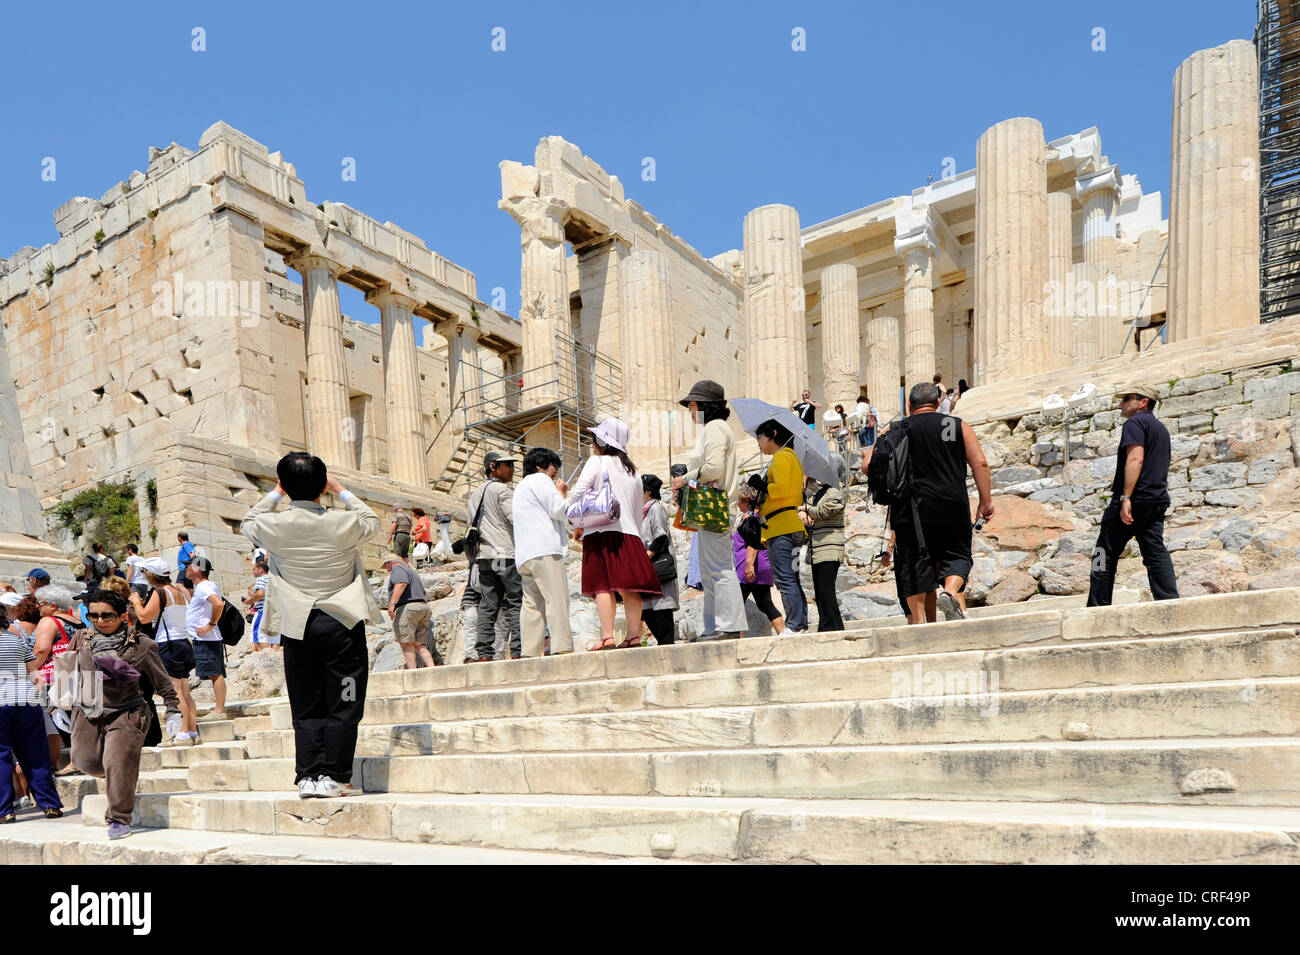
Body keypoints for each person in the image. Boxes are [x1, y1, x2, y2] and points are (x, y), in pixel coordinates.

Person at [240, 452, 382, 799]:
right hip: (341, 624)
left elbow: (248, 520)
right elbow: (372, 519)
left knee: (305, 703)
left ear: (285, 487)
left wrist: (276, 493)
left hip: (297, 626)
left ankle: (308, 774)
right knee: (345, 699)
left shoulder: (271, 526)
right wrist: (341, 489)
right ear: (323, 487)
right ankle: (335, 775)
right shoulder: (343, 522)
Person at [68, 590, 181, 839]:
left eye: (106, 615)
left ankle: (119, 818)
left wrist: (173, 709)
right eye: (93, 615)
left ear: (122, 616)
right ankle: (118, 773)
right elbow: (72, 670)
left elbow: (162, 681)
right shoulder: (82, 639)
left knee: (117, 762)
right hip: (88, 710)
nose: (100, 621)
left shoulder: (142, 645)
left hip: (127, 711)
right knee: (85, 761)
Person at [891, 381, 995, 625]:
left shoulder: (898, 428)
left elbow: (867, 466)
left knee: (916, 562)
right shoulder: (956, 424)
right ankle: (949, 591)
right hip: (952, 503)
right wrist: (985, 500)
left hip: (911, 509)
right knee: (958, 555)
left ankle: (918, 624)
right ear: (938, 402)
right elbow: (980, 463)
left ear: (909, 404)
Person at [569, 418, 661, 651]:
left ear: (601, 441)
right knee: (628, 587)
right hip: (629, 533)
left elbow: (578, 494)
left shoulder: (596, 462)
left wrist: (577, 521)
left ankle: (608, 635)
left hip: (600, 530)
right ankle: (633, 636)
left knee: (603, 586)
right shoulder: (633, 471)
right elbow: (637, 508)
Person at [1087, 384, 1179, 606]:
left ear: (1143, 402)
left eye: (1126, 399)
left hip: (1134, 499)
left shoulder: (1135, 423)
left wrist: (1125, 498)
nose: (1121, 404)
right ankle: (1169, 602)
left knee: (1102, 553)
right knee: (1155, 551)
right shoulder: (1160, 428)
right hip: (1156, 499)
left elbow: (1135, 459)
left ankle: (1097, 608)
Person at [672, 380, 747, 641]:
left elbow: (713, 469)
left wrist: (685, 479)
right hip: (711, 510)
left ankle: (729, 625)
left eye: (692, 405)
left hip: (716, 509)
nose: (690, 411)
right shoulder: (714, 429)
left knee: (719, 569)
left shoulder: (715, 428)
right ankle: (715, 625)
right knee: (709, 571)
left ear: (703, 405)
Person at [0, 603, 62, 824]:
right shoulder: (17, 641)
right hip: (25, 699)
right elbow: (33, 670)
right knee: (35, 754)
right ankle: (50, 805)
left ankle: (4, 810)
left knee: (1, 757)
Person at [130, 558, 198, 746]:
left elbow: (144, 618)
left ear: (151, 574)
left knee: (175, 692)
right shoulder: (179, 591)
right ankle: (191, 730)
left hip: (168, 644)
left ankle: (181, 733)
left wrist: (136, 602)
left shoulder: (160, 592)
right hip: (183, 642)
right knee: (185, 690)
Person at [513, 447, 573, 658]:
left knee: (532, 605)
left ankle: (529, 652)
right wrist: (563, 494)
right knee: (556, 599)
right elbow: (558, 509)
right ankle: (561, 647)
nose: (555, 470)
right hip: (545, 549)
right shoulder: (540, 480)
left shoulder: (520, 487)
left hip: (525, 554)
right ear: (539, 466)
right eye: (552, 466)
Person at [468, 451, 523, 662]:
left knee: (487, 604)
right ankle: (518, 650)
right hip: (505, 554)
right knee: (517, 601)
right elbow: (515, 518)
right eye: (507, 464)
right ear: (493, 467)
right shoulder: (502, 490)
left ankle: (483, 653)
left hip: (484, 557)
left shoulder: (474, 494)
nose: (512, 469)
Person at [755, 418, 809, 633]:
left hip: (781, 529)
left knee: (785, 579)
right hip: (792, 526)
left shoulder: (780, 457)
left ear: (772, 435)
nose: (758, 442)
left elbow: (781, 489)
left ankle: (794, 625)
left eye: (760, 437)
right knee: (792, 577)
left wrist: (764, 486)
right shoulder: (793, 457)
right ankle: (801, 622)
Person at [801, 458, 847, 632]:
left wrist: (804, 509)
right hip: (818, 548)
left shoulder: (835, 491)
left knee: (826, 589)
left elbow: (822, 511)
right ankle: (830, 625)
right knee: (820, 591)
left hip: (829, 548)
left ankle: (830, 626)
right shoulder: (822, 492)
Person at [734, 485, 784, 635]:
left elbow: (752, 543)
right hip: (762, 564)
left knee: (736, 606)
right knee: (765, 604)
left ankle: (737, 642)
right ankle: (784, 635)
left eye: (739, 500)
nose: (737, 504)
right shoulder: (760, 515)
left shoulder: (750, 518)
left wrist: (749, 565)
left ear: (745, 501)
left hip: (749, 567)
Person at [185, 557, 229, 721]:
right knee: (215, 673)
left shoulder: (204, 586)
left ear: (197, 568)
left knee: (215, 674)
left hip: (206, 638)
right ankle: (219, 709)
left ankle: (219, 711)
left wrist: (210, 624)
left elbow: (218, 604)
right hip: (206, 638)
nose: (186, 568)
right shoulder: (204, 587)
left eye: (189, 566)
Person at [639, 474, 679, 646]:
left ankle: (667, 646)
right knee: (647, 611)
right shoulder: (644, 509)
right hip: (647, 566)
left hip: (656, 563)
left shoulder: (656, 508)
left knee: (661, 608)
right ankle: (664, 645)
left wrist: (644, 558)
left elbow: (660, 537)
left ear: (647, 491)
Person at [377, 554, 434, 669]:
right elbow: (425, 595)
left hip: (408, 608)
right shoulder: (412, 572)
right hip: (423, 607)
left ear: (390, 563)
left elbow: (401, 583)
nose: (387, 569)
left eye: (386, 566)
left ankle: (412, 673)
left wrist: (392, 604)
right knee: (420, 644)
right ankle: (432, 669)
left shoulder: (397, 569)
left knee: (406, 643)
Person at [243, 557, 277, 651]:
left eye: (254, 569)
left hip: (263, 613)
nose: (253, 571)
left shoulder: (261, 579)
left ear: (261, 569)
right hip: (275, 613)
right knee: (274, 641)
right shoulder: (274, 579)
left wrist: (250, 601)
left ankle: (263, 663)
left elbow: (261, 594)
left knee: (258, 640)